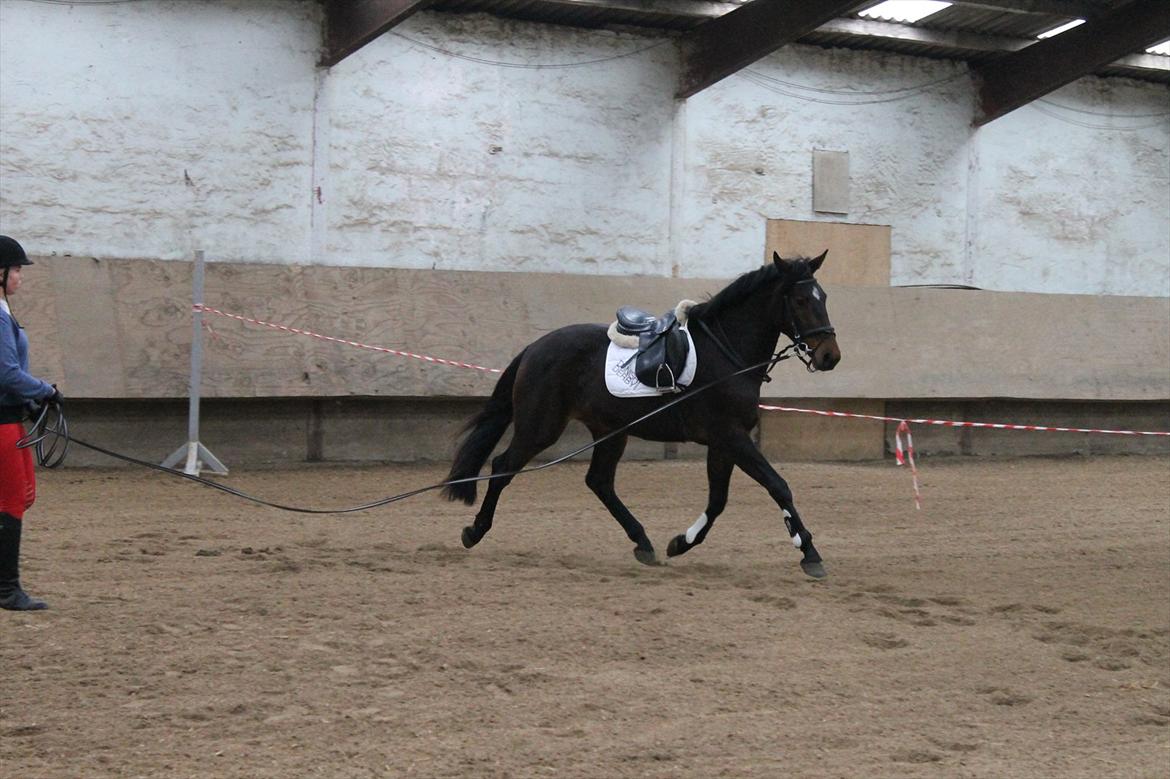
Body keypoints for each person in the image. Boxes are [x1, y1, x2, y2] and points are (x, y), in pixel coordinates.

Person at [0, 235, 59, 611]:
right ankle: (7, 589)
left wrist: (33, 400)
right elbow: (6, 372)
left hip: (10, 419)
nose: (21, 276)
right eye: (17, 269)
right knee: (10, 502)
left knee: (20, 497)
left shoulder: (4, 312)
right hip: (1, 425)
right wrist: (47, 391)